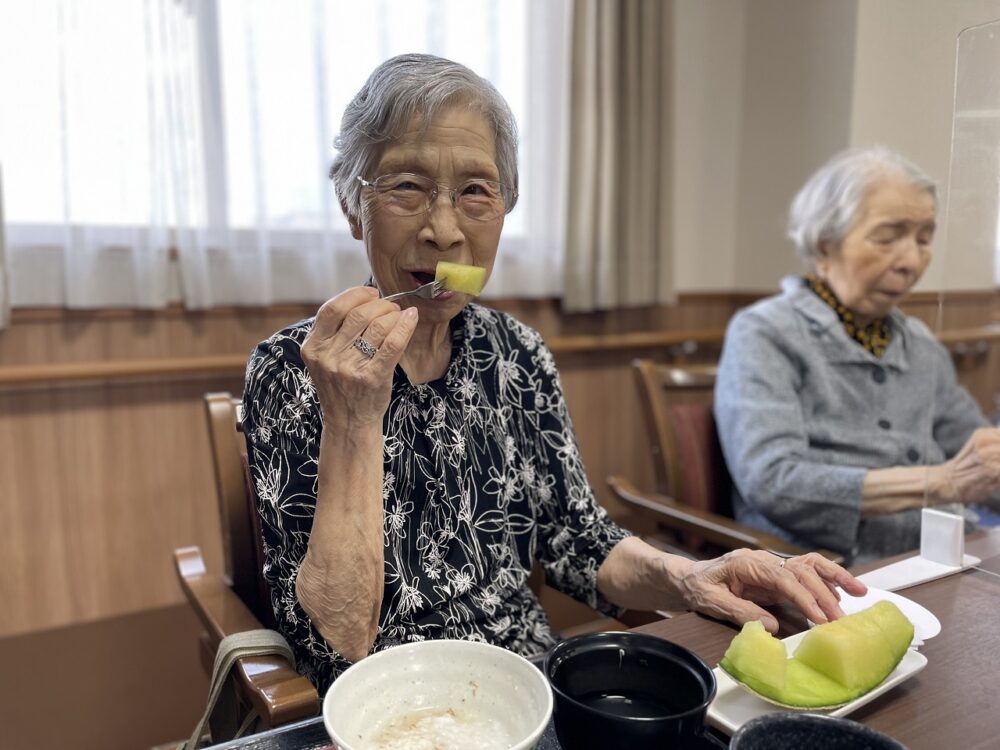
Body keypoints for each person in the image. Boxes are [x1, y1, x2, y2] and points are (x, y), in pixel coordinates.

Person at [242, 53, 865, 690]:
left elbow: (579, 540)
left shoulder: (517, 354)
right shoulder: (294, 371)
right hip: (380, 704)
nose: (445, 229)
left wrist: (690, 577)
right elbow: (338, 641)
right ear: (353, 207)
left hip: (529, 685)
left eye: (476, 192)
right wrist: (353, 418)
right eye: (406, 186)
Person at [715, 146, 1000, 566]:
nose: (912, 261)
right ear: (824, 245)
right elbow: (772, 480)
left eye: (924, 239)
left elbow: (977, 455)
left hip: (936, 557)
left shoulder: (920, 343)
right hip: (826, 571)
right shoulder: (765, 332)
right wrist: (938, 482)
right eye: (888, 237)